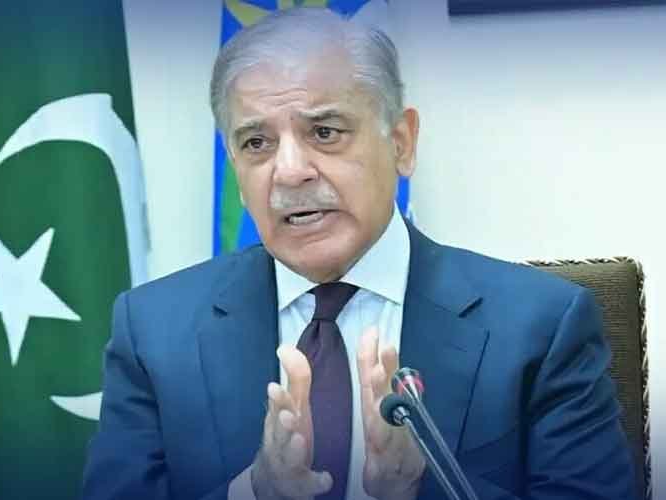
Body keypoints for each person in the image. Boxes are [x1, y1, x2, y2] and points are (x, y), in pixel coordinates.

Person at [83, 7, 636, 500]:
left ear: (401, 143)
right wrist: (252, 493)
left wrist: (419, 488)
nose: (289, 171)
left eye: (325, 132)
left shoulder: (540, 328)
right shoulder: (154, 331)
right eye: (256, 143)